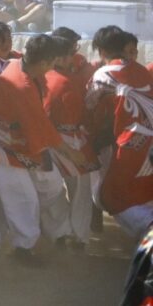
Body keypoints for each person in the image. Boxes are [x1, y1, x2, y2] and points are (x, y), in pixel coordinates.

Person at [0, 35, 87, 263]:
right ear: (44, 63)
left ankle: (50, 234)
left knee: (50, 186)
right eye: (53, 61)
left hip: (21, 145)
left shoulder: (20, 68)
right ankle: (24, 249)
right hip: (5, 151)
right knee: (24, 200)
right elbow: (41, 126)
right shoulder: (21, 85)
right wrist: (71, 153)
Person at [88, 28, 153, 238]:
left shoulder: (103, 73)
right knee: (141, 191)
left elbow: (89, 103)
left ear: (102, 50)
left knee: (110, 195)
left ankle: (148, 229)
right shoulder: (142, 70)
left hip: (131, 140)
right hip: (147, 140)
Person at [44, 33, 99, 248]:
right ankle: (78, 236)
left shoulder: (44, 77)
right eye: (69, 55)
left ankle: (61, 232)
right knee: (80, 192)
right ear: (58, 57)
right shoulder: (65, 81)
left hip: (51, 140)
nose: (72, 58)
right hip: (70, 140)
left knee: (53, 191)